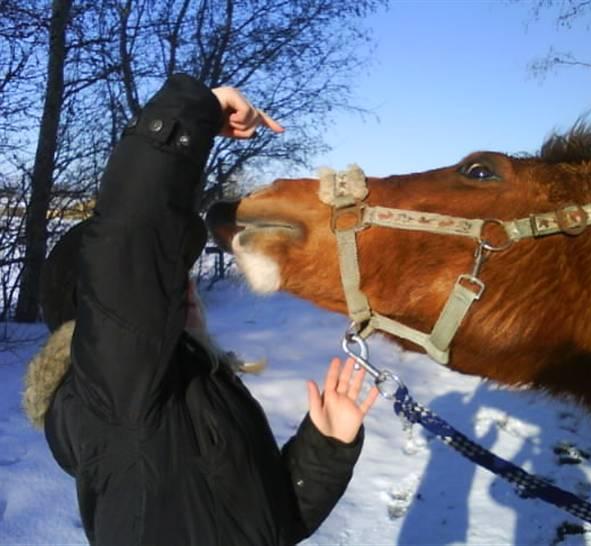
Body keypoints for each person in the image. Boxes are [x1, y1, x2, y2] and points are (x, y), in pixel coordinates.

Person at [22, 74, 378, 546]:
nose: (184, 288)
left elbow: (264, 527)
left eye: (180, 279)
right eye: (165, 283)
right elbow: (132, 239)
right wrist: (191, 114)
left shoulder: (181, 383)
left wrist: (325, 449)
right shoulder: (116, 391)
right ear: (99, 312)